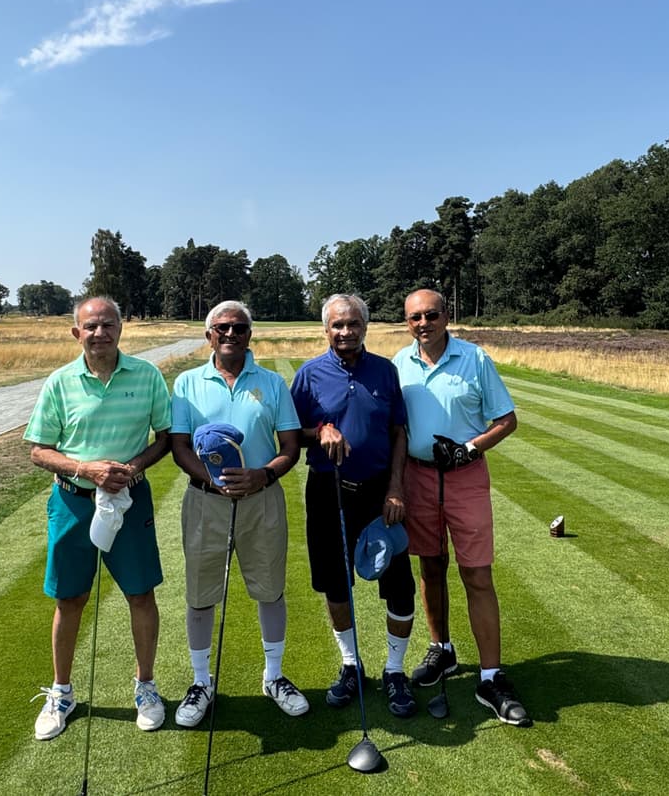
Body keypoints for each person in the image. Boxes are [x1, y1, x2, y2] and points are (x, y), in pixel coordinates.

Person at [24, 297, 173, 739]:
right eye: (90, 326)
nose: (99, 333)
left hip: (129, 499)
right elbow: (38, 449)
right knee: (69, 599)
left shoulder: (146, 376)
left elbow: (164, 437)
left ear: (121, 330)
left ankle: (145, 687)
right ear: (77, 333)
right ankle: (62, 692)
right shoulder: (59, 382)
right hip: (73, 500)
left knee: (140, 594)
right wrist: (83, 468)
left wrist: (136, 467)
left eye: (108, 325)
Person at [393, 288, 530, 726]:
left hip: (465, 476)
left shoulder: (475, 359)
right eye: (415, 317)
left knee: (476, 573)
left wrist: (470, 448)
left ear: (445, 316)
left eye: (431, 315)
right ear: (407, 321)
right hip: (417, 475)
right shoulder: (399, 363)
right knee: (430, 566)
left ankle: (491, 675)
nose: (423, 323)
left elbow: (506, 419)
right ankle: (442, 649)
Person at [169, 300, 308, 727]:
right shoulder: (187, 384)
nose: (231, 334)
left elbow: (290, 447)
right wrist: (213, 481)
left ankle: (274, 676)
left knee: (270, 590)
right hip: (205, 502)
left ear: (250, 335)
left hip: (261, 500)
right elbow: (178, 446)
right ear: (209, 334)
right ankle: (200, 681)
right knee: (200, 594)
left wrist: (262, 477)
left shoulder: (271, 383)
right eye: (222, 328)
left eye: (240, 328)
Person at [290, 294, 419, 718]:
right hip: (328, 490)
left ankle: (395, 670)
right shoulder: (308, 375)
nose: (345, 332)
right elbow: (289, 435)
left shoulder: (385, 371)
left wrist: (396, 487)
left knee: (399, 585)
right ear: (325, 329)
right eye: (337, 325)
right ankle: (351, 665)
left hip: (382, 489)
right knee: (335, 583)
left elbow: (398, 431)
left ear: (365, 326)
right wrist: (321, 429)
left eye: (353, 324)